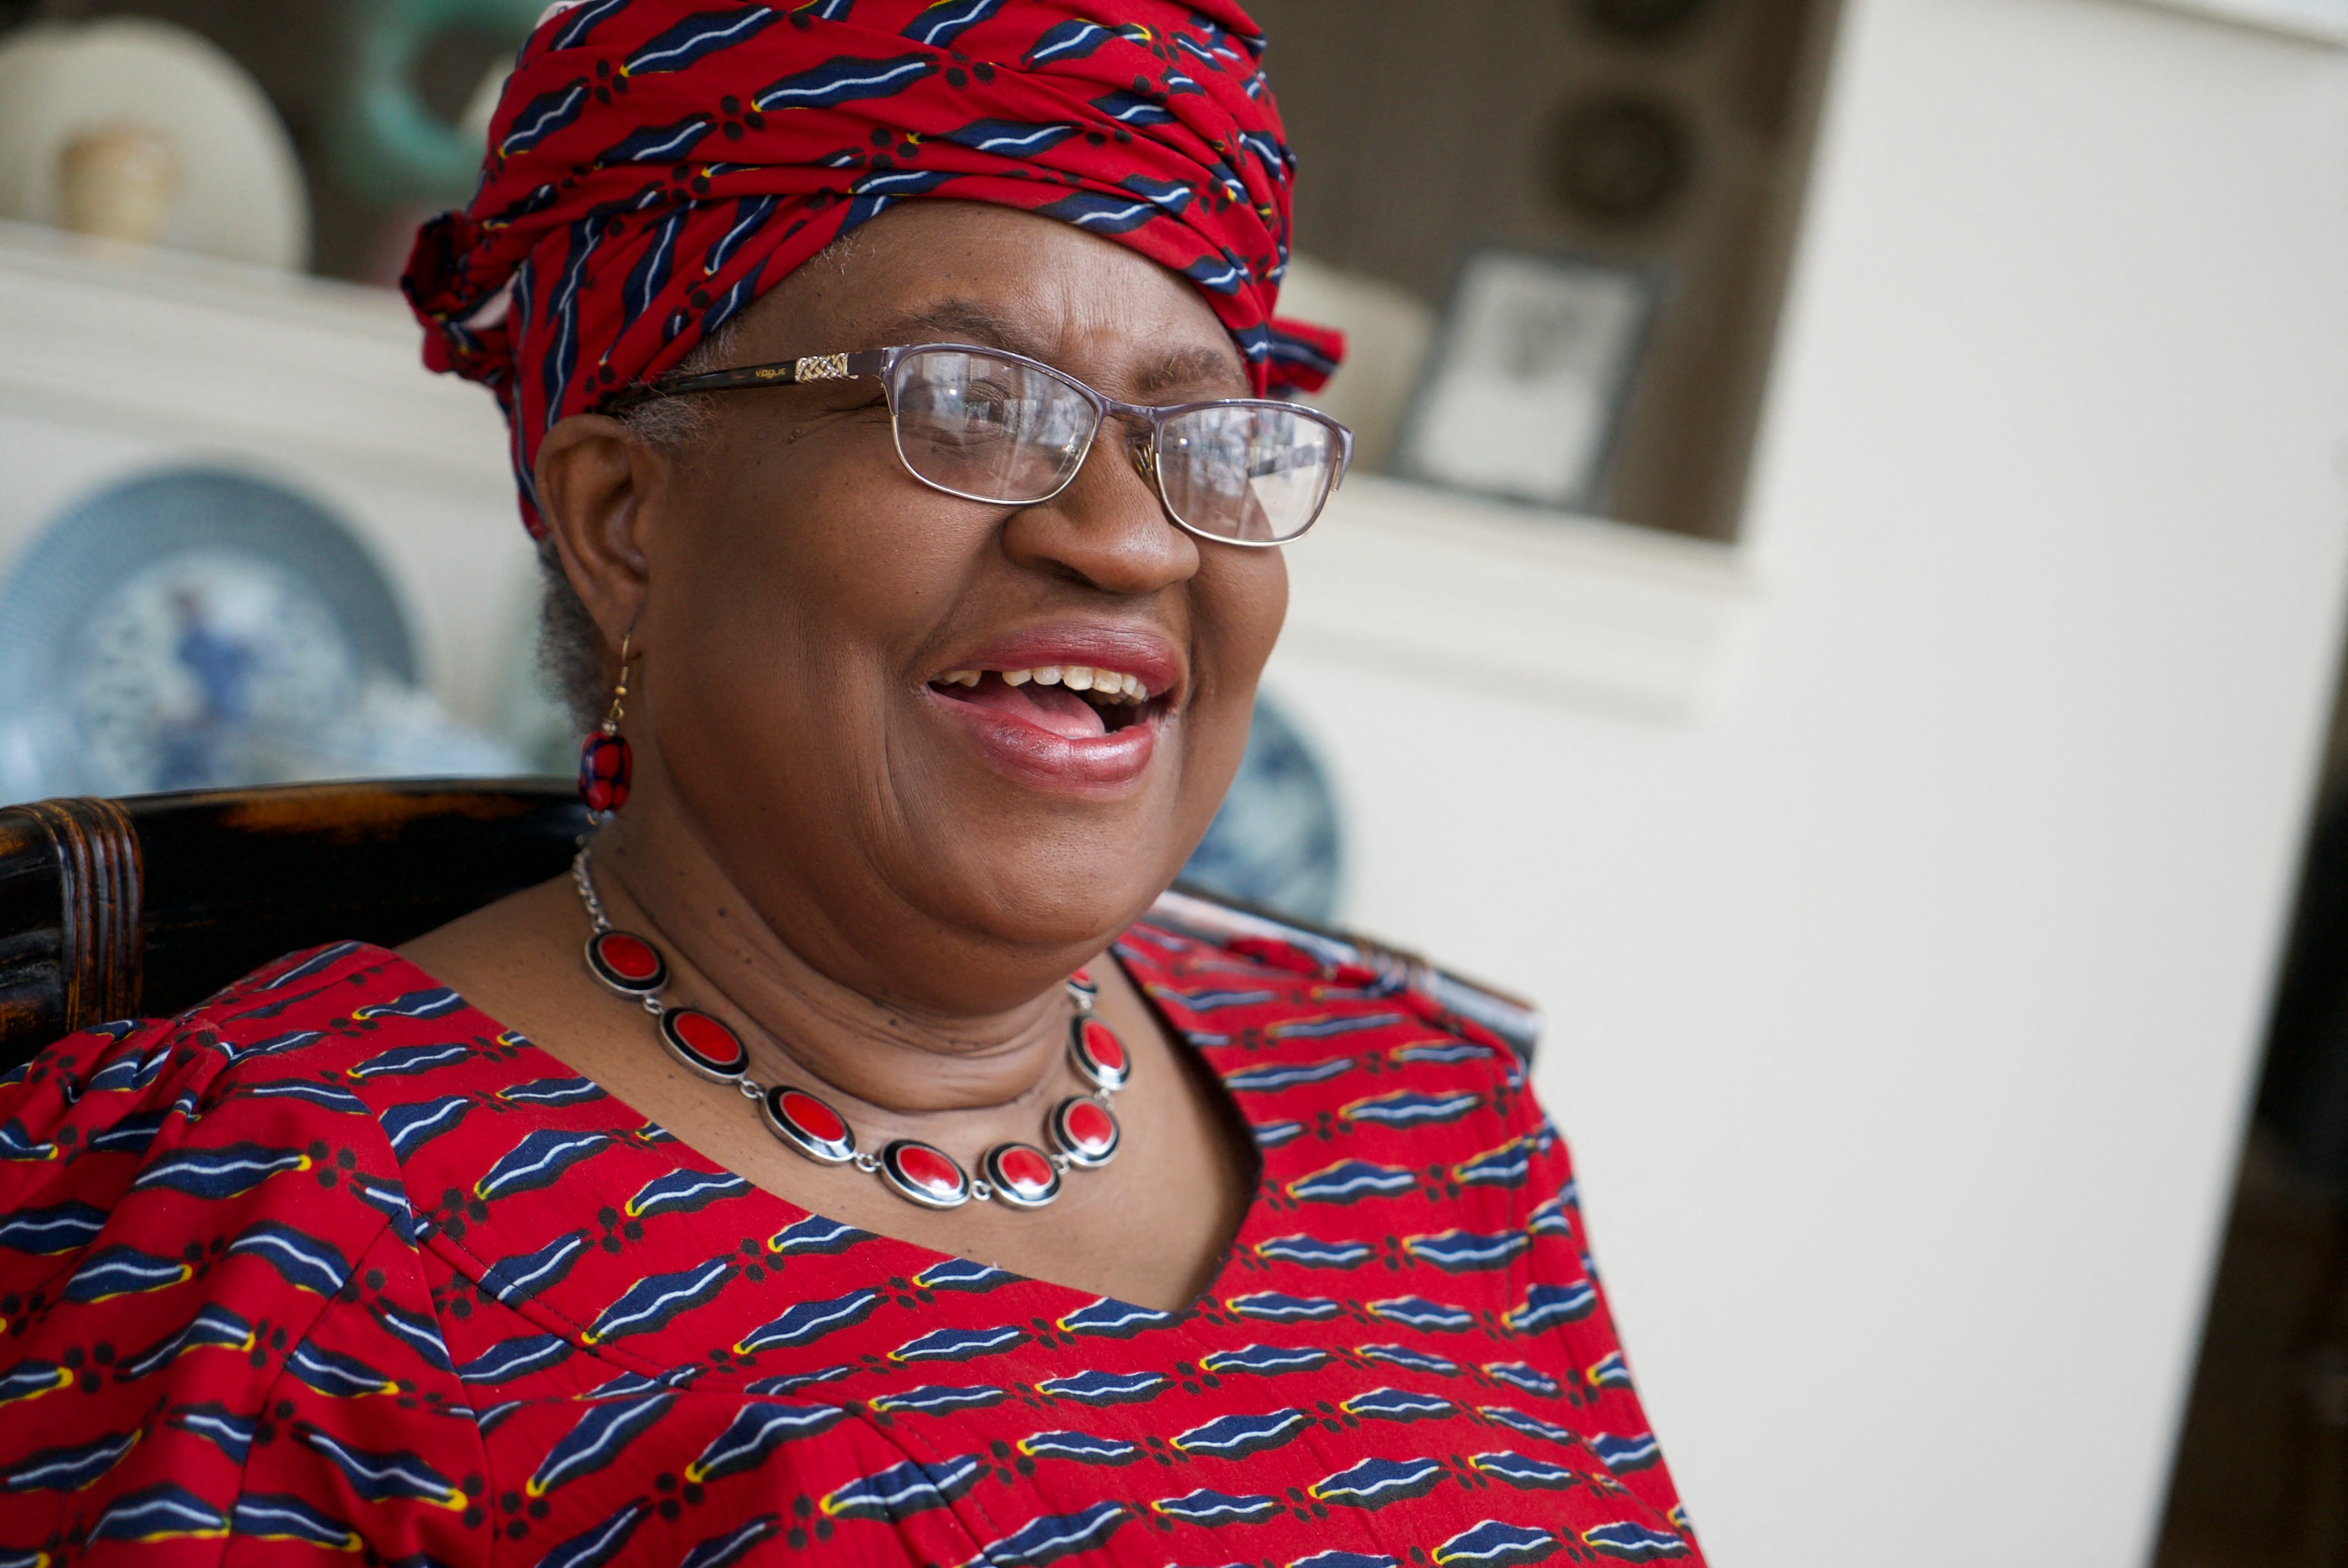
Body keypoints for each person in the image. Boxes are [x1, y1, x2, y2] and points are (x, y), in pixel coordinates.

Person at [0, 3, 1703, 1562]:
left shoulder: (1430, 1119)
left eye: (1199, 435)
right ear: (625, 520)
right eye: (966, 407)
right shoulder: (280, 1232)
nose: (1123, 536)